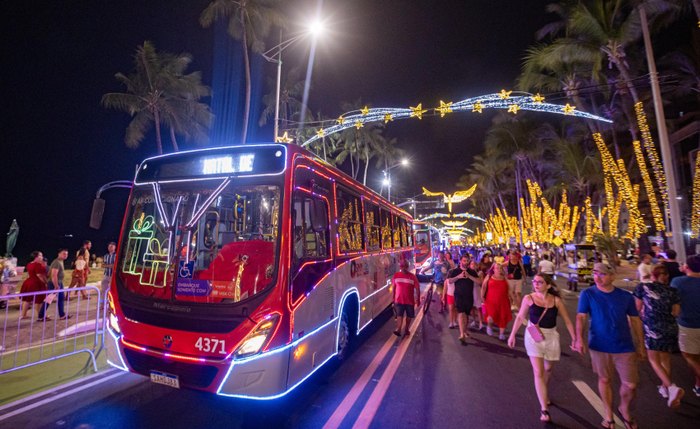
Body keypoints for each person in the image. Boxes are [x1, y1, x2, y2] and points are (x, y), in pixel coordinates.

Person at [574, 263, 644, 429]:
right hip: (599, 344)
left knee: (630, 384)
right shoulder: (588, 294)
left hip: (624, 345)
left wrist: (640, 345)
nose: (597, 277)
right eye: (595, 273)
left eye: (602, 274)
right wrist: (578, 339)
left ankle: (623, 408)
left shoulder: (625, 296)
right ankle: (608, 414)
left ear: (612, 276)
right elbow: (581, 317)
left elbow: (635, 320)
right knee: (604, 379)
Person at [508, 273, 576, 423]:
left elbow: (567, 321)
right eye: (535, 281)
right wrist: (512, 335)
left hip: (551, 336)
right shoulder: (529, 298)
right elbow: (520, 317)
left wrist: (575, 338)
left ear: (548, 285)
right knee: (538, 372)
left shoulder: (556, 301)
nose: (536, 284)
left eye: (540, 282)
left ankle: (543, 392)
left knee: (548, 369)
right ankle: (544, 409)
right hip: (533, 335)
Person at [633, 264, 684, 407]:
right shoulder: (673, 291)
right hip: (670, 327)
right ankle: (665, 388)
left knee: (654, 360)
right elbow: (676, 312)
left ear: (653, 276)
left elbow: (636, 308)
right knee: (665, 358)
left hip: (652, 327)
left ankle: (671, 387)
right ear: (667, 277)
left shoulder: (643, 288)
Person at [671, 254, 700, 398]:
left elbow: (672, 301)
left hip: (688, 325)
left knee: (689, 356)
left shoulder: (678, 282)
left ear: (686, 267)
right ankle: (698, 385)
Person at [448, 255, 480, 344]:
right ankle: (461, 334)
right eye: (464, 261)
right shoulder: (456, 271)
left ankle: (464, 331)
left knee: (466, 314)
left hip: (469, 296)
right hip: (459, 295)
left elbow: (479, 281)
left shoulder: (472, 271)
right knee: (461, 313)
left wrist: (469, 276)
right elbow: (450, 281)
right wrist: (459, 276)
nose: (465, 262)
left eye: (467, 261)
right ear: (460, 261)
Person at [38, 249, 72, 321]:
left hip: (58, 282)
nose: (65, 255)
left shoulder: (60, 261)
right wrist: (56, 285)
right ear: (59, 254)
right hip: (55, 283)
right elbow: (54, 275)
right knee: (51, 299)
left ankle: (61, 315)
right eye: (64, 254)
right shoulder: (56, 262)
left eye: (66, 254)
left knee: (57, 298)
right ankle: (42, 316)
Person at [482, 261, 512, 340]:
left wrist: (512, 298)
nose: (499, 269)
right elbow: (484, 286)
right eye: (497, 268)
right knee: (490, 317)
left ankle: (501, 334)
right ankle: (489, 326)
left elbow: (509, 289)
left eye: (500, 268)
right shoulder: (489, 276)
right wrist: (482, 297)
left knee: (503, 317)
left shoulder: (504, 277)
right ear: (493, 269)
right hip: (491, 300)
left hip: (503, 301)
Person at [392, 258, 421, 338]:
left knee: (409, 316)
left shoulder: (412, 277)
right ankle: (399, 329)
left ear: (407, 267)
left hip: (409, 301)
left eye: (405, 266)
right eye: (402, 266)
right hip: (399, 300)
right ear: (400, 267)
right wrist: (393, 299)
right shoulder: (396, 276)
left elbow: (417, 288)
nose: (403, 268)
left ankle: (406, 329)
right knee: (399, 315)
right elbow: (394, 288)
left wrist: (417, 299)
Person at [19, 251, 48, 319]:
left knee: (27, 299)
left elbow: (29, 274)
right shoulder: (38, 265)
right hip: (36, 284)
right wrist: (46, 282)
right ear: (36, 257)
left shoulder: (29, 264)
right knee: (39, 300)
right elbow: (40, 275)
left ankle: (23, 315)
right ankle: (41, 316)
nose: (42, 257)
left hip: (29, 282)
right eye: (40, 256)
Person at [469, 260, 484, 331]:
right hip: (469, 290)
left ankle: (481, 322)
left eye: (474, 264)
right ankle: (474, 320)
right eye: (471, 264)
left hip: (477, 290)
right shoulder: (468, 272)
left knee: (478, 307)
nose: (473, 265)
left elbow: (481, 282)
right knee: (471, 307)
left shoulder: (480, 273)